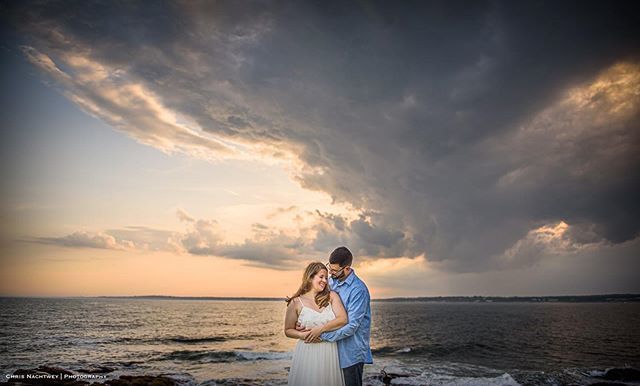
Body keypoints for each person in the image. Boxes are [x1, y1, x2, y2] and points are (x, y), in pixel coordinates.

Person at [298, 246, 373, 386]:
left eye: (334, 270)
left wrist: (322, 336)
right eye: (329, 267)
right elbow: (318, 305)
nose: (330, 273)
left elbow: (351, 327)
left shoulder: (358, 290)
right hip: (330, 352)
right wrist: (304, 322)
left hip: (350, 353)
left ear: (346, 268)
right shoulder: (331, 282)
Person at [284, 261, 348, 386]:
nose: (325, 280)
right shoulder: (296, 302)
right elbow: (288, 330)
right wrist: (303, 335)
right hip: (307, 351)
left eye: (326, 277)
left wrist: (320, 329)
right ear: (310, 277)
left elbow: (342, 319)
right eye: (321, 277)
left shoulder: (331, 296)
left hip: (329, 351)